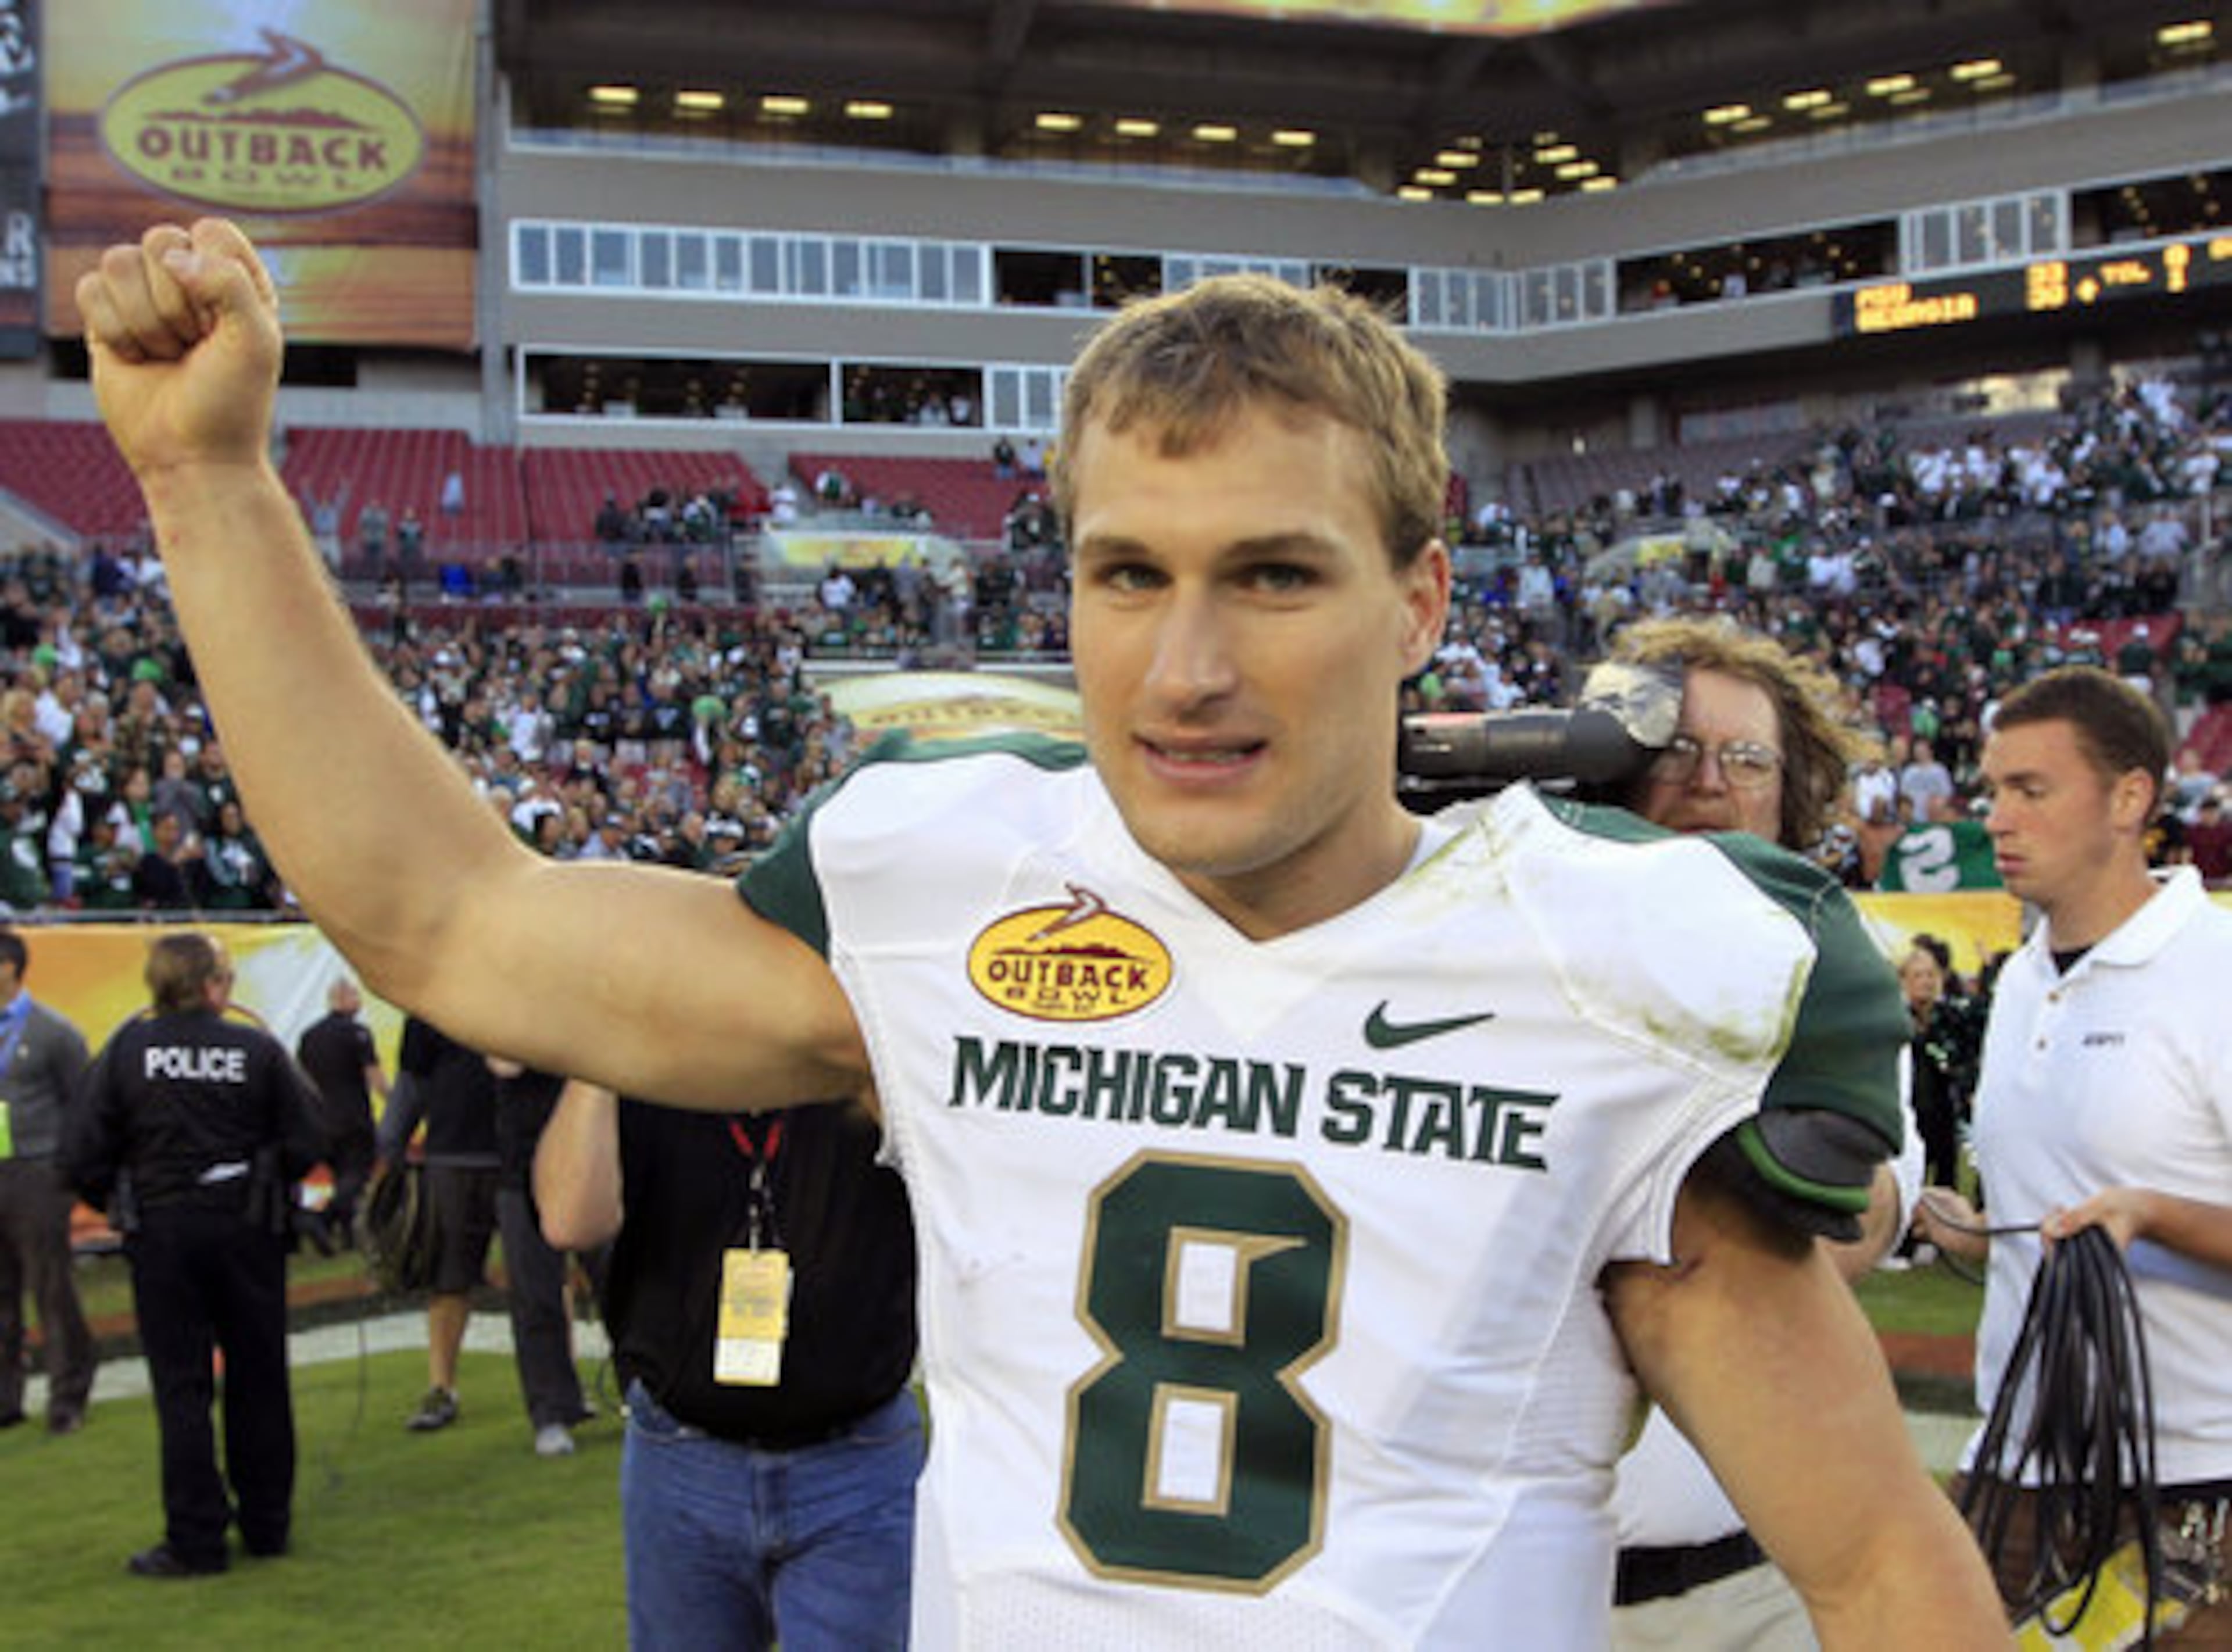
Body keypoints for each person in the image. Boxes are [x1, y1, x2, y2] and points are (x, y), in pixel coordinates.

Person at [77, 220, 2006, 1646]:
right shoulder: (954, 886)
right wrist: (207, 481)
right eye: (1127, 573)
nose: (1187, 666)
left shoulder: (1607, 965)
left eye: (1275, 575)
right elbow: (447, 919)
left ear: (1420, 601)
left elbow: (1873, 1564)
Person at [1598, 616, 1927, 1650]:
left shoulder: (1830, 989)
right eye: (1671, 749)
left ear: (1794, 795)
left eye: (1746, 758)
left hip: (1742, 1590)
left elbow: (1848, 1229)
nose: (1707, 781)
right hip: (1511, 1594)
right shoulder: (1500, 946)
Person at [1913, 666, 2232, 1641]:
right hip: (2015, 1460)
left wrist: (2154, 1213)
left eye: (2031, 789)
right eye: (1992, 790)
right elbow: (2061, 1207)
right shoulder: (2021, 981)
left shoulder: (2215, 975)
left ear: (2130, 797)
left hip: (2192, 1482)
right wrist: (1980, 1234)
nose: (1997, 819)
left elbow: (2128, 1205)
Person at [537, 1079, 920, 1647]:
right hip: (683, 1458)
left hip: (855, 1459)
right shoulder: (646, 1066)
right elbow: (570, 1219)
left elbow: (957, 1175)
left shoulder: (861, 1059)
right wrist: (597, 1061)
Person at [61, 932, 326, 1576]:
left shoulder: (128, 1049)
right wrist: (267, 1175)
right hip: (246, 1225)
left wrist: (120, 1201)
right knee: (260, 1376)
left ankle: (196, 1538)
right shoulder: (255, 1048)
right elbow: (308, 1136)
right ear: (211, 985)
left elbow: (81, 1152)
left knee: (181, 1386)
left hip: (163, 1229)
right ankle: (267, 1525)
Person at [377, 1014, 500, 1433]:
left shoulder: (522, 989)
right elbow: (413, 1080)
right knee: (448, 1278)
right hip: (455, 1154)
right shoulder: (432, 1006)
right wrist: (391, 1147)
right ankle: (441, 1386)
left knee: (542, 1275)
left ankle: (561, 1393)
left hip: (520, 1149)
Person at [0, 926, 95, 1433]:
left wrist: (66, 1170)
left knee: (50, 1286)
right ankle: (6, 1398)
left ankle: (68, 1394)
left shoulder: (53, 1032)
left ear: (9, 968)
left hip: (36, 1171)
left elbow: (83, 1104)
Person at [488, 1058, 599, 1458]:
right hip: (523, 1168)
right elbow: (506, 1064)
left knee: (623, 1283)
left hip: (590, 1158)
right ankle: (551, 1411)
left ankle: (646, 1393)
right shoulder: (508, 1025)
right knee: (536, 1297)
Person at [293, 975, 389, 1243]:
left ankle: (347, 1234)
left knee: (341, 1176)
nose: (359, 1001)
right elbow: (375, 1077)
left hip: (322, 1118)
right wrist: (395, 1103)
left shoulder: (309, 1036)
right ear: (342, 999)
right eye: (355, 996)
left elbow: (302, 1079)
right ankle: (322, 1217)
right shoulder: (358, 1033)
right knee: (358, 1173)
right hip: (354, 1116)